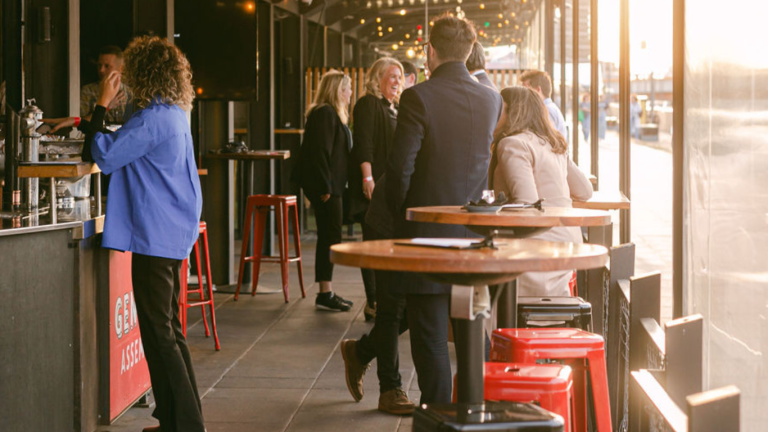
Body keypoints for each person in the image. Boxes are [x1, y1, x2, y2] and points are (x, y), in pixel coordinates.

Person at [44, 36, 205, 432]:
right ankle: (176, 419)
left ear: (144, 74)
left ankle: (186, 425)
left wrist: (100, 102)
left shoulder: (152, 119)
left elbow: (102, 153)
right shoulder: (171, 113)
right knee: (168, 330)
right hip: (171, 233)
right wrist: (91, 119)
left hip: (156, 235)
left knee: (160, 334)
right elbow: (119, 141)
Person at [385, 14, 503, 404]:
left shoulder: (418, 97)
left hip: (427, 236)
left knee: (431, 336)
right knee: (472, 333)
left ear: (429, 51)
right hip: (474, 239)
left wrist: (400, 214)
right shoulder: (492, 98)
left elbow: (400, 168)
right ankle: (473, 412)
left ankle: (436, 416)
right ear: (470, 51)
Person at [340, 58, 417, 415]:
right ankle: (389, 386)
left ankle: (361, 351)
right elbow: (364, 145)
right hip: (383, 202)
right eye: (392, 76)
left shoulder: (398, 109)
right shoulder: (370, 105)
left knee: (403, 306)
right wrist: (368, 179)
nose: (397, 82)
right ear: (376, 79)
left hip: (399, 204)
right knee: (393, 303)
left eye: (400, 77)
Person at [491, 87, 592, 296]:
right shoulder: (552, 143)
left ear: (512, 112)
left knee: (469, 286)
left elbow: (527, 204)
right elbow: (585, 191)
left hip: (537, 250)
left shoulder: (513, 143)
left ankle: (499, 327)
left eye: (499, 108)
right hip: (568, 246)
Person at [293, 70, 355, 312]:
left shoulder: (329, 114)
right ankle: (324, 292)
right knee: (329, 238)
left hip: (332, 186)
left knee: (330, 237)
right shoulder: (325, 114)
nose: (350, 93)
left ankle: (326, 291)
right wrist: (325, 188)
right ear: (338, 90)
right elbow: (320, 154)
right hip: (327, 188)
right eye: (347, 89)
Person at [80, 45, 133, 123]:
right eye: (99, 65)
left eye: (107, 66)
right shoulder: (88, 91)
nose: (101, 70)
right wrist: (106, 107)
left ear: (121, 68)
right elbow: (80, 123)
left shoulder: (130, 93)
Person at [521, 70, 567, 141]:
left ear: (538, 90)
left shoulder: (547, 110)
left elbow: (546, 141)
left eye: (526, 89)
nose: (522, 94)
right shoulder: (548, 108)